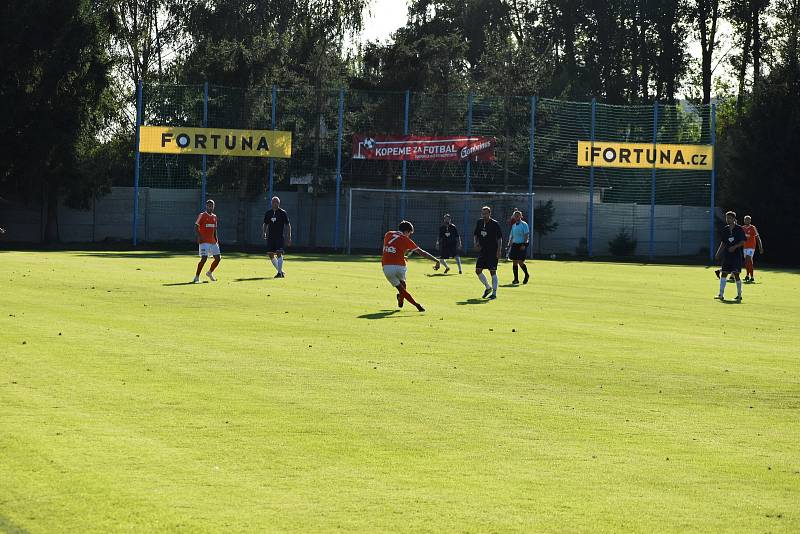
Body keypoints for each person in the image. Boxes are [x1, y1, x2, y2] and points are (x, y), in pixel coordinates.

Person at [381, 220, 440, 312]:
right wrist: (436, 260)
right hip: (400, 267)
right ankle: (416, 305)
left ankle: (401, 298)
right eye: (409, 233)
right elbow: (422, 253)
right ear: (407, 231)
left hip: (387, 267)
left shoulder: (388, 234)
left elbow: (389, 248)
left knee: (402, 288)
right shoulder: (406, 239)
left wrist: (402, 255)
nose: (409, 235)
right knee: (403, 287)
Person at [714, 210, 746, 301]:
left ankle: (739, 295)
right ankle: (720, 294)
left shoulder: (739, 229)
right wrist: (718, 253)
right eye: (726, 217)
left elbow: (743, 241)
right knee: (724, 273)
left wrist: (735, 247)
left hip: (736, 255)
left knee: (736, 275)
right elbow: (723, 242)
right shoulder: (725, 229)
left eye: (729, 218)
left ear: (733, 219)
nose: (727, 219)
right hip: (727, 255)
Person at [473, 206, 504, 299]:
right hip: (483, 251)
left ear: (490, 214)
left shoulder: (495, 224)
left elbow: (499, 238)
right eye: (483, 213)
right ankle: (488, 287)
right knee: (478, 270)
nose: (484, 215)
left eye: (486, 213)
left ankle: (494, 293)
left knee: (492, 272)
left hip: (492, 251)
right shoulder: (479, 222)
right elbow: (475, 234)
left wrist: (499, 251)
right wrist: (475, 243)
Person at [262, 196, 292, 278]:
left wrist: (289, 236)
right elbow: (265, 224)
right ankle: (281, 271)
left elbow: (288, 225)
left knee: (279, 253)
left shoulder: (282, 213)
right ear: (271, 203)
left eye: (276, 202)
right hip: (270, 237)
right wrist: (264, 232)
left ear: (279, 203)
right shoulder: (268, 213)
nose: (275, 203)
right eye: (273, 202)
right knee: (270, 254)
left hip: (279, 237)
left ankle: (279, 273)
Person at [194, 199, 221, 283]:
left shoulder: (214, 217)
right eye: (209, 206)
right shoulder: (202, 215)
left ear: (214, 207)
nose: (210, 207)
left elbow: (215, 229)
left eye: (212, 206)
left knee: (218, 258)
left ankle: (209, 273)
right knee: (204, 259)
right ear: (206, 206)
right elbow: (196, 226)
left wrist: (216, 239)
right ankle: (196, 277)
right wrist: (199, 236)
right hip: (204, 241)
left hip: (213, 241)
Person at [507, 209, 531, 284]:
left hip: (522, 245)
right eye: (515, 215)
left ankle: (526, 275)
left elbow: (526, 235)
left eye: (518, 215)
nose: (517, 216)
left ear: (521, 216)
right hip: (515, 245)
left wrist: (524, 244)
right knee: (514, 262)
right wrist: (509, 244)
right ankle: (516, 279)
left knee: (520, 262)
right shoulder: (514, 225)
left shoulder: (524, 224)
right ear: (514, 217)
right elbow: (512, 236)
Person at [741, 215, 764, 282]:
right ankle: (747, 275)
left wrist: (760, 247)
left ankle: (752, 276)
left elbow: (758, 238)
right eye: (745, 219)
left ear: (750, 221)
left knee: (749, 259)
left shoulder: (753, 228)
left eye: (748, 219)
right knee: (746, 262)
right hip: (745, 247)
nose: (746, 221)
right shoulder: (742, 228)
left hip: (751, 247)